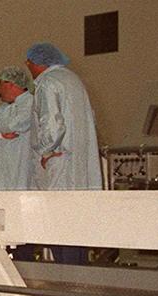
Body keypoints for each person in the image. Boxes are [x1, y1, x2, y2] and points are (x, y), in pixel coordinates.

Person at [24, 42, 101, 190]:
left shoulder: (47, 83)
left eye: (29, 62)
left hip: (59, 159)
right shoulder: (73, 79)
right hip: (79, 158)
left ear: (37, 62)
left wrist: (45, 152)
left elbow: (53, 126)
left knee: (58, 208)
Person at [0, 65, 36, 190]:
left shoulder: (30, 103)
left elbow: (14, 124)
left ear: (11, 84)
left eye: (0, 85)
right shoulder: (3, 108)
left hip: (19, 165)